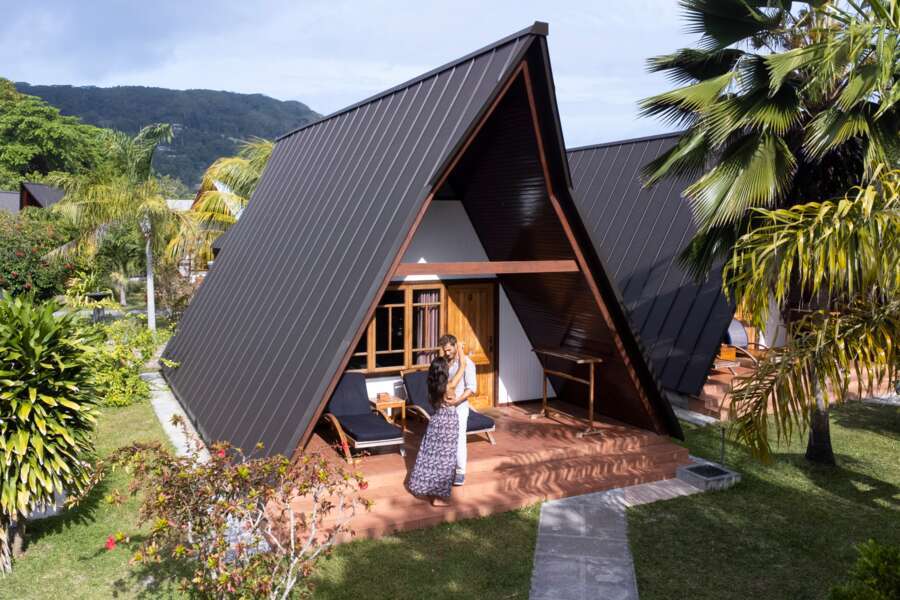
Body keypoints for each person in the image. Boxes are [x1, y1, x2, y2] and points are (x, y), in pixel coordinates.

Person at [406, 353, 469, 506]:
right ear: (444, 371)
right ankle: (438, 498)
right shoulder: (449, 386)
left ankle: (429, 489)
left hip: (435, 422)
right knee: (445, 461)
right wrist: (460, 349)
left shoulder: (432, 386)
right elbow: (463, 366)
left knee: (432, 457)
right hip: (448, 424)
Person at [439, 334, 476, 486]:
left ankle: (460, 471)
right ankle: (446, 469)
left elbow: (471, 388)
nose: (447, 353)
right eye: (444, 350)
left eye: (449, 350)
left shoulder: (467, 363)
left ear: (456, 346)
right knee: (444, 439)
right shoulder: (444, 363)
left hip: (459, 408)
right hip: (443, 408)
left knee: (459, 438)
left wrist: (457, 401)